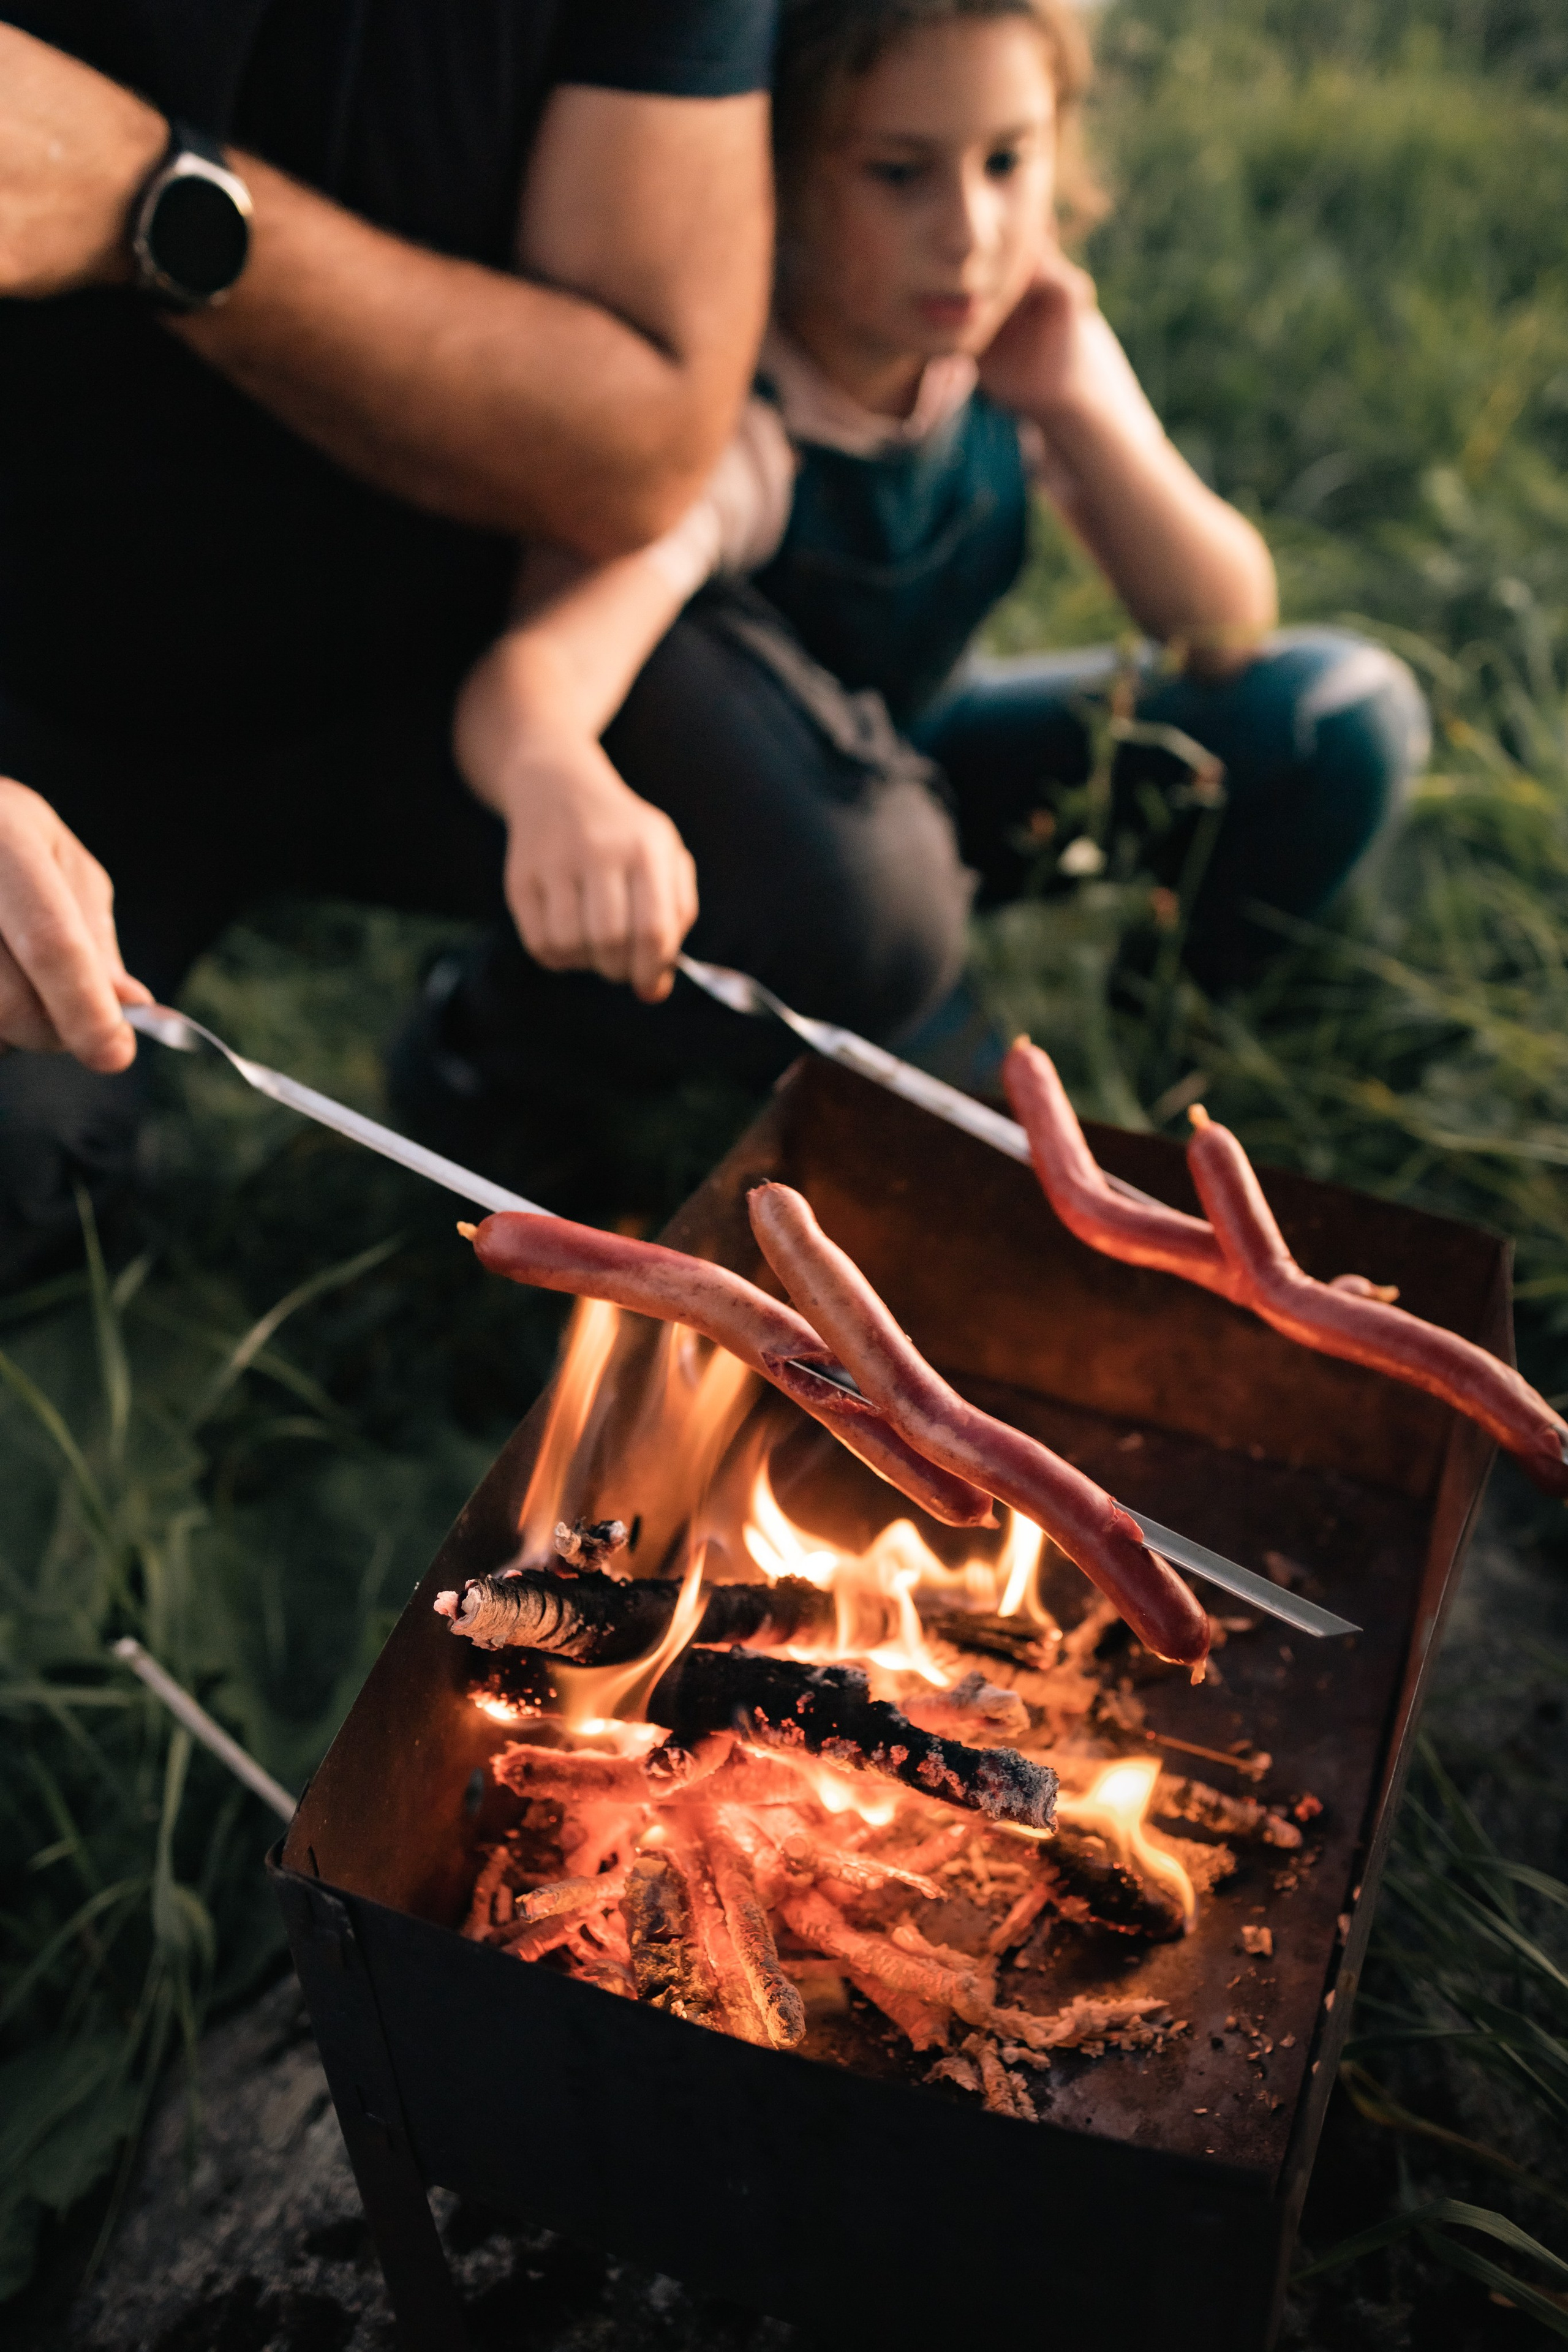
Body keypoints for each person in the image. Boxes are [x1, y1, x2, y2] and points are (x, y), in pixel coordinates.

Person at [412, 0, 1427, 1177]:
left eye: (1008, 160)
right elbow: (529, 681)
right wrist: (564, 789)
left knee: (1341, 720)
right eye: (899, 175)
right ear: (779, 178)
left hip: (929, 768)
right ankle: (509, 1042)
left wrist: (1085, 406)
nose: (969, 232)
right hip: (779, 876)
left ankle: (1182, 1047)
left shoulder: (1007, 351)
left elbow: (1223, 623)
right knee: (992, 1154)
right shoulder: (749, 425)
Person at [0, 0, 778, 1285]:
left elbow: (639, 444)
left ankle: (496, 1056)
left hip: (461, 656)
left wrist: (154, 203)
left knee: (844, 912)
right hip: (40, 690)